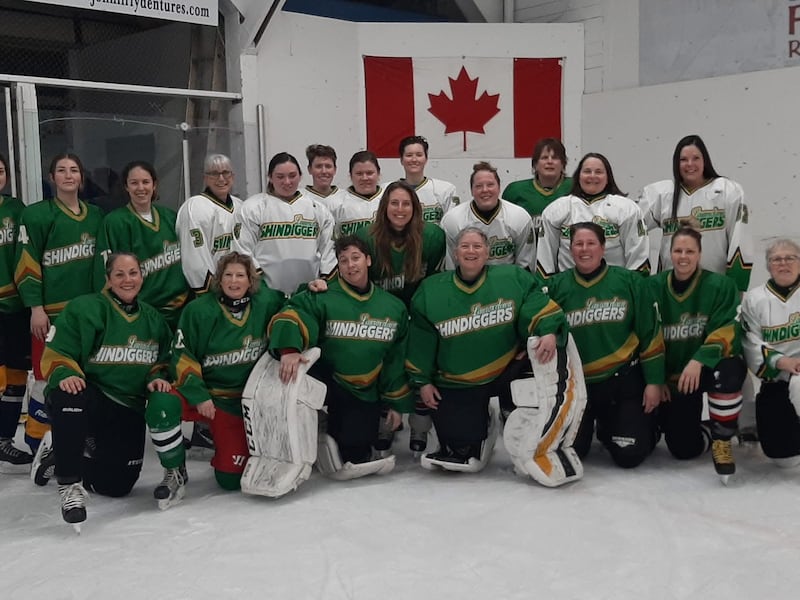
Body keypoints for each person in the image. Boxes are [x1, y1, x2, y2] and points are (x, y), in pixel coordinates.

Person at [406, 227, 568, 469]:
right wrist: (423, 381)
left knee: (529, 416)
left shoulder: (513, 278)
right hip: (458, 380)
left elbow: (536, 303)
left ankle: (509, 412)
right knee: (459, 448)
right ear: (455, 252)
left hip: (509, 368)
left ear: (487, 252)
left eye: (477, 246)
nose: (471, 251)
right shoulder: (431, 290)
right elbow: (421, 341)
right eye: (465, 246)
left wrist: (548, 330)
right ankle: (483, 425)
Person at [40, 252, 173, 527]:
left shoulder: (153, 320)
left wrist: (156, 378)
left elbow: (163, 362)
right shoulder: (85, 308)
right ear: (108, 279)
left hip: (128, 406)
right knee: (70, 394)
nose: (127, 280)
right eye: (120, 274)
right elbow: (58, 350)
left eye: (133, 273)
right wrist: (64, 372)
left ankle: (61, 452)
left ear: (141, 275)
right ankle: (69, 484)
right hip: (94, 396)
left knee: (117, 485)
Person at [269, 236, 412, 476]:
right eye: (343, 261)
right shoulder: (323, 295)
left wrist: (395, 405)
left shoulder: (393, 307)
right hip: (331, 382)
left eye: (355, 258)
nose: (350, 265)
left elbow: (395, 361)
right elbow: (293, 312)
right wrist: (289, 350)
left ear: (368, 260)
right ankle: (316, 421)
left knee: (355, 451)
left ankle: (341, 427)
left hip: (365, 390)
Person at [543, 222, 664, 468]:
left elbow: (650, 332)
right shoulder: (556, 286)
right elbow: (536, 317)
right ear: (570, 248)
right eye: (578, 244)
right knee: (574, 453)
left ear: (603, 247)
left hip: (623, 382)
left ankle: (638, 426)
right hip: (578, 386)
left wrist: (654, 382)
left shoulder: (631, 282)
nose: (584, 249)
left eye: (591, 243)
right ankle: (600, 425)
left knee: (629, 455)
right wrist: (545, 331)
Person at [167, 252, 285, 491]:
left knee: (230, 480)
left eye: (240, 275)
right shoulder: (198, 311)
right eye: (228, 275)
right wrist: (198, 395)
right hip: (211, 398)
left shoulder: (267, 302)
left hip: (246, 403)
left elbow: (296, 306)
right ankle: (174, 468)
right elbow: (182, 355)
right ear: (218, 280)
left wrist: (316, 285)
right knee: (163, 404)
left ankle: (224, 442)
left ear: (250, 281)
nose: (234, 281)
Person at [15, 153, 103, 466]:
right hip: (51, 315)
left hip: (86, 313)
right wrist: (35, 307)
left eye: (74, 170)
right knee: (47, 379)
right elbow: (26, 264)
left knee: (85, 377)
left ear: (82, 177)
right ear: (52, 177)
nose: (68, 176)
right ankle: (43, 442)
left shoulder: (96, 216)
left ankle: (78, 436)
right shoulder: (36, 215)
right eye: (62, 170)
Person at [647, 223, 746, 481]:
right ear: (669, 253)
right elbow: (645, 336)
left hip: (703, 369)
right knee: (682, 449)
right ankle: (706, 430)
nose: (683, 257)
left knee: (730, 368)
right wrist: (657, 378)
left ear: (699, 254)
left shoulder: (721, 286)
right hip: (674, 379)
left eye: (689, 251)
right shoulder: (652, 287)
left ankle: (722, 437)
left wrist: (699, 360)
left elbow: (729, 330)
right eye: (678, 250)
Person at [638, 134, 753, 292]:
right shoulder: (662, 195)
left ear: (704, 160)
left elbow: (740, 241)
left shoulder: (728, 191)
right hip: (670, 293)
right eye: (683, 159)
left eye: (696, 158)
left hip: (715, 290)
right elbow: (631, 226)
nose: (690, 164)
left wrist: (736, 288)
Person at [94, 161, 188, 330]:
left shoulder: (170, 217)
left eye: (145, 182)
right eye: (134, 183)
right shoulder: (115, 222)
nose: (141, 188)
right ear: (126, 187)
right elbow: (106, 271)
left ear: (154, 185)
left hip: (181, 310)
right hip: (144, 313)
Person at [232, 152, 336, 296]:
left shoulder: (318, 209)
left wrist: (324, 279)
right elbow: (243, 251)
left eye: (292, 176)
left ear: (300, 176)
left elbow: (328, 251)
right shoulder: (252, 208)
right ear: (270, 177)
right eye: (280, 177)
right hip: (265, 295)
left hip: (309, 294)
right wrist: (259, 285)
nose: (287, 182)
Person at [537, 152, 649, 279]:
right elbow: (545, 261)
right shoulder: (557, 209)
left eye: (599, 172)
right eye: (587, 171)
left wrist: (632, 289)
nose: (592, 176)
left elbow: (638, 257)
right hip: (568, 290)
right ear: (578, 176)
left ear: (608, 177)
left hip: (615, 290)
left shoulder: (627, 209)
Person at [741, 240, 800, 467]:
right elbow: (749, 341)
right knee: (784, 459)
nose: (783, 263)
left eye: (790, 258)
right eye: (776, 259)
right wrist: (781, 361)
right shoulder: (756, 299)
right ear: (768, 266)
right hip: (776, 379)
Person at [440, 161, 536, 270]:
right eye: (479, 186)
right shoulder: (454, 220)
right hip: (468, 283)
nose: (485, 190)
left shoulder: (519, 217)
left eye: (490, 185)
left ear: (499, 188)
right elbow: (450, 267)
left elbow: (525, 266)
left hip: (506, 281)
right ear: (471, 191)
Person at [0, 153, 33, 472]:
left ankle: (4, 440)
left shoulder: (16, 210)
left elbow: (25, 256)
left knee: (16, 375)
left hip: (14, 308)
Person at [176, 153, 241, 296]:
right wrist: (210, 291)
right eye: (214, 174)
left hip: (238, 289)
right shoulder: (195, 207)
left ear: (233, 176)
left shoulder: (241, 206)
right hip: (211, 293)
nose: (221, 178)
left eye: (226, 173)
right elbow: (194, 259)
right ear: (205, 178)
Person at [502, 137, 573, 231]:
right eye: (544, 158)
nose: (550, 161)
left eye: (555, 158)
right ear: (535, 164)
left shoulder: (575, 187)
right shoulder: (515, 190)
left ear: (563, 164)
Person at [397, 135, 459, 224]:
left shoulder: (445, 190)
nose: (414, 159)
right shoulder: (388, 191)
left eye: (419, 155)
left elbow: (452, 226)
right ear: (401, 160)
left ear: (426, 159)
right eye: (409, 155)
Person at [326, 151, 383, 237]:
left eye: (369, 173)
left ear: (378, 174)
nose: (365, 178)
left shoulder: (389, 199)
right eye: (359, 174)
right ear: (350, 176)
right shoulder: (335, 203)